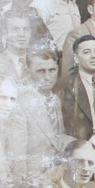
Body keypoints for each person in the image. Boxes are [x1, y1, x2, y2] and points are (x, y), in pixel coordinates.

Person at [12, 46, 74, 176]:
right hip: (34, 180)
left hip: (56, 176)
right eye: (41, 71)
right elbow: (17, 157)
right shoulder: (21, 105)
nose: (48, 77)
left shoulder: (55, 100)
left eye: (52, 70)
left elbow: (57, 139)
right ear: (28, 71)